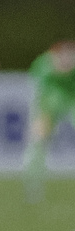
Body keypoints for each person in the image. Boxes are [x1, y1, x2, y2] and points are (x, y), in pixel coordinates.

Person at [22, 40, 75, 203]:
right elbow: (39, 91)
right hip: (48, 104)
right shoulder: (44, 65)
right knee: (37, 143)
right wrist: (42, 118)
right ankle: (32, 186)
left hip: (71, 102)